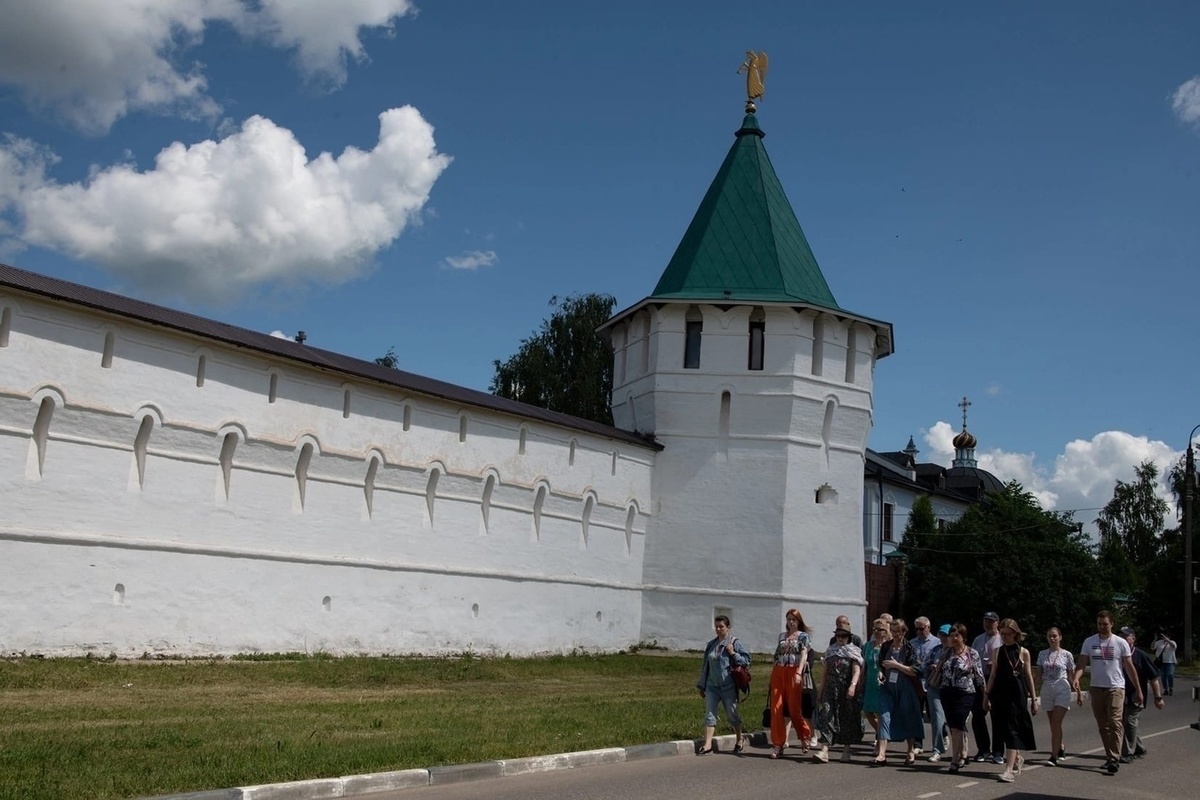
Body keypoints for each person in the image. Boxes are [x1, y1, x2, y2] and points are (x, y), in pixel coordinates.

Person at [1071, 610, 1143, 774]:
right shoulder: (1089, 642)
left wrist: (1138, 689)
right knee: (1103, 725)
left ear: (1112, 624)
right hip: (1096, 687)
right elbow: (1082, 663)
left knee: (1115, 721)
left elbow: (1130, 668)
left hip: (1116, 687)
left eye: (1105, 624)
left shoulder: (1120, 642)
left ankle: (1114, 758)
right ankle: (1110, 756)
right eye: (1099, 624)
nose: (1102, 627)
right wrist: (1076, 678)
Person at [983, 619, 1037, 782]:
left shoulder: (1023, 652)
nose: (1005, 637)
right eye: (1003, 634)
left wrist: (1034, 699)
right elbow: (992, 675)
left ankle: (1008, 769)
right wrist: (986, 694)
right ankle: (1017, 758)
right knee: (1003, 728)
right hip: (1000, 693)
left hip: (1017, 694)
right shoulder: (998, 651)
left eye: (1008, 634)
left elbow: (1028, 676)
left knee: (1013, 729)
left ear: (1015, 633)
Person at [871, 618, 924, 766]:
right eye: (892, 631)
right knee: (884, 715)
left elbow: (915, 670)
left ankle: (910, 750)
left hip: (905, 686)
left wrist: (896, 665)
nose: (894, 634)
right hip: (887, 687)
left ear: (904, 632)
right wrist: (881, 673)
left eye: (897, 632)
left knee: (907, 716)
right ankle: (882, 754)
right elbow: (881, 664)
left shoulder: (909, 648)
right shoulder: (886, 646)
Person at [695, 615, 750, 755]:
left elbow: (746, 661)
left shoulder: (734, 642)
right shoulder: (711, 644)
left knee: (732, 715)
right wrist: (702, 685)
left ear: (728, 627)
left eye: (722, 627)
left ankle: (739, 738)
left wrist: (732, 653)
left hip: (728, 686)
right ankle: (707, 744)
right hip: (712, 686)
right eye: (717, 627)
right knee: (710, 714)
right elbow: (705, 665)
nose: (719, 629)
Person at [934, 623, 985, 774]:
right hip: (947, 692)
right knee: (954, 725)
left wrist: (985, 695)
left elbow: (979, 676)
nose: (954, 638)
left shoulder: (972, 653)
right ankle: (963, 753)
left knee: (957, 724)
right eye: (951, 635)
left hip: (966, 693)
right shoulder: (946, 652)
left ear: (963, 637)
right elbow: (939, 670)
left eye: (957, 635)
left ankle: (954, 760)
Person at [813, 624, 864, 763]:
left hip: (845, 687)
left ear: (849, 637)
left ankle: (846, 750)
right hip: (831, 687)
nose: (840, 639)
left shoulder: (853, 651)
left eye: (844, 636)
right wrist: (820, 690)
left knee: (846, 717)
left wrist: (853, 686)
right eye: (838, 636)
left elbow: (856, 671)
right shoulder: (830, 651)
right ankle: (824, 750)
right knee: (827, 714)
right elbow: (825, 672)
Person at [767, 608, 812, 758]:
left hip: (794, 672)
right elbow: (777, 656)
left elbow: (804, 655)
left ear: (798, 621)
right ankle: (778, 743)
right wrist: (771, 677)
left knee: (794, 708)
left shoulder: (803, 636)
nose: (791, 622)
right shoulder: (782, 636)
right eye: (789, 619)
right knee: (776, 708)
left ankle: (804, 735)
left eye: (794, 619)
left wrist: (799, 672)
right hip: (779, 671)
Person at [1034, 626, 1081, 766]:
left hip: (1062, 687)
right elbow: (1039, 675)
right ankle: (1060, 747)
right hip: (1047, 688)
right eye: (1049, 636)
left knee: (1056, 722)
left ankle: (1053, 756)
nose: (1052, 638)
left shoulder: (1067, 655)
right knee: (1053, 723)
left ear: (1060, 637)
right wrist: (1031, 691)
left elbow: (1072, 677)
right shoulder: (1042, 654)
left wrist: (1078, 693)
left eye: (1054, 636)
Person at [1119, 627, 1164, 763]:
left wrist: (1158, 697)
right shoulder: (1117, 655)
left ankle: (1128, 753)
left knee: (1130, 722)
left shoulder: (1140, 656)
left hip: (1137, 695)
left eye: (1126, 636)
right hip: (1120, 695)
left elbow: (1154, 678)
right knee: (1126, 723)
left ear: (1133, 638)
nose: (1123, 639)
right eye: (1121, 636)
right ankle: (1139, 748)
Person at [970, 611, 1004, 763]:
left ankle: (998, 752)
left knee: (997, 717)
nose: (988, 624)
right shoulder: (978, 639)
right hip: (980, 679)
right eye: (986, 621)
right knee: (977, 717)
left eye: (991, 621)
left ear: (997, 623)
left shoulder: (1002, 639)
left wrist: (996, 664)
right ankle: (983, 749)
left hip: (997, 680)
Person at [922, 624, 952, 762]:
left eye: (947, 635)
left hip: (952, 689)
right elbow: (924, 666)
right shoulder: (935, 650)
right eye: (942, 635)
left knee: (956, 723)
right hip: (935, 688)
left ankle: (961, 752)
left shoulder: (956, 651)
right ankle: (937, 750)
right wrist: (931, 666)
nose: (944, 638)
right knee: (937, 719)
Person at [909, 616, 938, 756]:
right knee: (916, 715)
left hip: (932, 683)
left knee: (934, 715)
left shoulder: (936, 643)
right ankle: (918, 744)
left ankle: (939, 740)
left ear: (928, 628)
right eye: (917, 629)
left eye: (922, 629)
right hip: (916, 683)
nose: (919, 632)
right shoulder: (911, 643)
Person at [862, 618, 889, 732]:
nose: (877, 632)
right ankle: (881, 732)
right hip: (870, 682)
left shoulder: (888, 646)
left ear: (886, 631)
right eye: (875, 629)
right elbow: (863, 664)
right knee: (868, 711)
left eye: (880, 629)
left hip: (883, 683)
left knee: (879, 712)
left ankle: (881, 738)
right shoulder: (868, 646)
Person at [1152, 630, 1177, 696]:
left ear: (1169, 636)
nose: (1164, 637)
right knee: (1163, 676)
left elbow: (1174, 646)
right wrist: (1155, 639)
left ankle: (1171, 688)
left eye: (1166, 636)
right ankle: (1165, 689)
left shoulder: (1172, 642)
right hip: (1161, 662)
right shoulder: (1159, 642)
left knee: (1170, 675)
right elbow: (1152, 647)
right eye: (1163, 636)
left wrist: (1167, 640)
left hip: (1170, 661)